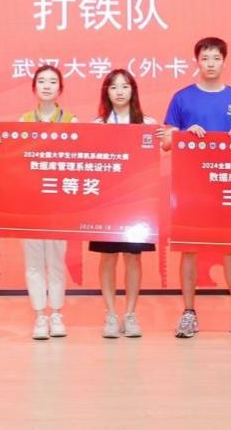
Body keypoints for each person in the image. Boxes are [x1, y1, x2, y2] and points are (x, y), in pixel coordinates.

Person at [164, 37, 231, 339]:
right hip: (191, 185)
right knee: (189, 248)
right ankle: (189, 313)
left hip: (227, 184)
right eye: (205, 58)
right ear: (197, 62)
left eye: (216, 58)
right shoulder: (182, 98)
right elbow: (166, 141)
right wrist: (183, 134)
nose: (210, 63)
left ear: (224, 62)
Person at [90, 69, 163, 339]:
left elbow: (161, 152)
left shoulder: (148, 123)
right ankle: (110, 314)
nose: (119, 92)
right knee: (107, 258)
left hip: (137, 203)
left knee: (133, 257)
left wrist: (165, 139)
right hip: (107, 202)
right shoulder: (97, 125)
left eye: (124, 86)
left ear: (133, 90)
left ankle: (130, 314)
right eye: (113, 87)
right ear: (106, 93)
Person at [18, 65, 77, 340]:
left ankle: (56, 313)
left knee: (56, 260)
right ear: (34, 87)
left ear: (60, 88)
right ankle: (40, 315)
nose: (46, 86)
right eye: (41, 81)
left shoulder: (72, 122)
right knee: (33, 262)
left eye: (52, 82)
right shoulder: (23, 121)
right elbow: (14, 161)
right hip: (30, 203)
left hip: (59, 203)